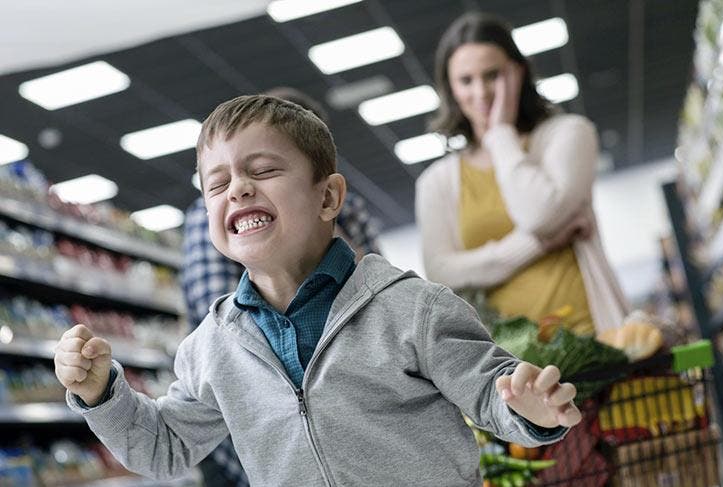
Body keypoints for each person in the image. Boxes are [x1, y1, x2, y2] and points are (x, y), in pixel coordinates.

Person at [54, 94, 581, 487]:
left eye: (262, 171)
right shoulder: (211, 348)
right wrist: (102, 396)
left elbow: (490, 389)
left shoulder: (411, 308)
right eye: (216, 184)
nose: (237, 187)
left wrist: (527, 407)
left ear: (328, 197)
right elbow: (164, 447)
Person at [179, 88, 380, 486]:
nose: (244, 186)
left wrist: (316, 224)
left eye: (271, 169)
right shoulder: (214, 220)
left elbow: (375, 289)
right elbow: (227, 326)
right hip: (240, 445)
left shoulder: (349, 208)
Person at [416, 12, 628, 335]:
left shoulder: (568, 134)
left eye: (492, 75)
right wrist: (538, 245)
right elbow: (441, 272)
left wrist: (500, 133)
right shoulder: (436, 182)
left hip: (590, 338)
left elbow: (539, 214)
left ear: (519, 71)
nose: (482, 92)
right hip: (505, 363)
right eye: (466, 80)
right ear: (451, 89)